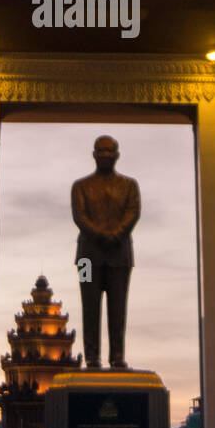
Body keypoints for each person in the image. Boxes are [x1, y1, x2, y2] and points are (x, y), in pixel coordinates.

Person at [71, 135, 140, 370]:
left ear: (117, 155)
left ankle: (117, 356)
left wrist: (117, 233)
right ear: (94, 155)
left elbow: (133, 212)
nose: (105, 156)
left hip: (119, 257)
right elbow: (79, 216)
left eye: (110, 152)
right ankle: (91, 358)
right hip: (87, 259)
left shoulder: (129, 186)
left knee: (118, 309)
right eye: (101, 151)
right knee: (89, 308)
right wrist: (102, 235)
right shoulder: (80, 186)